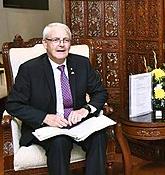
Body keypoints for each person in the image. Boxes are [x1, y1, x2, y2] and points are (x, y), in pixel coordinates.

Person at [5, 22, 109, 175]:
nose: (61, 45)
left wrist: (85, 110)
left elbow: (100, 93)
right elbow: (13, 104)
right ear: (45, 43)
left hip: (78, 124)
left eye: (66, 40)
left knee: (99, 136)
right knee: (60, 142)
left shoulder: (81, 64)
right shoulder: (30, 69)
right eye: (55, 40)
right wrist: (45, 117)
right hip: (47, 128)